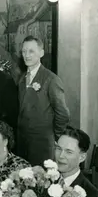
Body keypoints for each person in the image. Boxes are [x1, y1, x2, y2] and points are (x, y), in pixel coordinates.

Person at [17, 36, 70, 165]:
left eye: (31, 51)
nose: (27, 55)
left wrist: (54, 137)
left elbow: (62, 113)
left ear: (41, 53)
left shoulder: (51, 79)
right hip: (23, 143)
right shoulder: (22, 78)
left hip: (42, 144)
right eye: (24, 51)